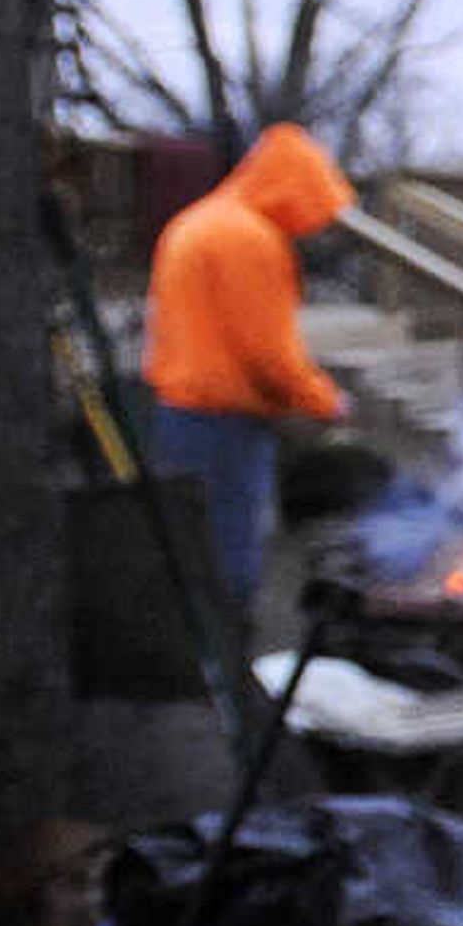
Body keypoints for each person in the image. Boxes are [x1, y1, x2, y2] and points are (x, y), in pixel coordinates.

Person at [142, 122, 357, 616]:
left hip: (178, 412)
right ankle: (229, 672)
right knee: (228, 561)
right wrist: (328, 401)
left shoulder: (200, 220)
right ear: (294, 189)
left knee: (189, 554)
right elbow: (268, 355)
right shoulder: (249, 239)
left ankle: (197, 664)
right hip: (222, 426)